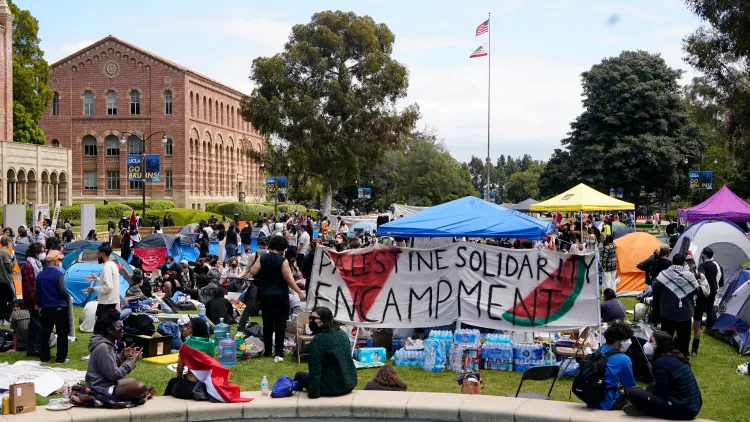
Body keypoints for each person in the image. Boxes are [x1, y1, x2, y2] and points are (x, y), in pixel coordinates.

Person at [238, 235, 306, 360]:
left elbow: (253, 271)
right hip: (280, 295)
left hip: (265, 295)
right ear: (283, 248)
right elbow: (288, 278)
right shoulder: (283, 260)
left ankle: (268, 351)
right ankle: (279, 351)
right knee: (280, 324)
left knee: (267, 323)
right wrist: (300, 292)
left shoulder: (262, 258)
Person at [625, 331, 702, 420]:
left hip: (681, 409)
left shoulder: (661, 362)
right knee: (651, 386)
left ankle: (645, 409)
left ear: (660, 345)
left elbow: (661, 393)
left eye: (651, 341)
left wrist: (645, 399)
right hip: (693, 407)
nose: (647, 343)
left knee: (633, 392)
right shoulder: (677, 357)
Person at [86, 309, 148, 402]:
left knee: (133, 382)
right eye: (120, 327)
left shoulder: (106, 344)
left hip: (107, 383)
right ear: (110, 330)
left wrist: (123, 355)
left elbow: (109, 367)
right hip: (101, 388)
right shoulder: (103, 347)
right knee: (140, 387)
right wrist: (132, 363)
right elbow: (114, 375)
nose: (122, 330)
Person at [294, 307, 357, 398]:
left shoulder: (318, 340)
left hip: (332, 387)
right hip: (349, 383)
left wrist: (314, 393)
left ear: (323, 321)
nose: (311, 321)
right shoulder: (342, 334)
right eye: (310, 318)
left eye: (314, 319)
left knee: (299, 375)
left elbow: (315, 370)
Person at [652, 254, 699, 357]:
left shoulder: (664, 275)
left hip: (668, 313)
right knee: (684, 340)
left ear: (672, 262)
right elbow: (697, 290)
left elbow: (655, 289)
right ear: (684, 263)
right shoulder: (690, 276)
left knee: (665, 339)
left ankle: (664, 357)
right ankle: (683, 359)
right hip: (685, 313)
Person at [587, 321, 636, 410]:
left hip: (591, 399)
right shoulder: (624, 359)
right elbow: (628, 388)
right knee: (639, 396)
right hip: (608, 402)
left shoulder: (599, 351)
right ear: (620, 340)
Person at [165, 318, 214, 398]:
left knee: (172, 382)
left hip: (189, 387)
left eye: (188, 326)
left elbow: (179, 370)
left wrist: (179, 376)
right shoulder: (211, 343)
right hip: (206, 386)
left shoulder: (188, 344)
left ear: (195, 330)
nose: (185, 328)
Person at [35, 250, 70, 363]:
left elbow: (37, 293)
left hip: (45, 309)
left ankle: (44, 357)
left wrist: (40, 304)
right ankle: (60, 358)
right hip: (59, 308)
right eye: (59, 260)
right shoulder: (58, 274)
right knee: (62, 334)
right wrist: (67, 297)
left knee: (44, 335)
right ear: (55, 262)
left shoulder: (40, 275)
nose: (60, 262)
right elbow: (62, 290)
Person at [85, 244, 121, 319]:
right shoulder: (113, 264)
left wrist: (94, 289)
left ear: (103, 254)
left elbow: (108, 287)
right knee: (108, 327)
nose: (97, 256)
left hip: (106, 303)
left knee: (100, 328)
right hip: (112, 301)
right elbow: (111, 280)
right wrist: (98, 279)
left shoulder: (107, 267)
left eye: (98, 253)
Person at [21, 242, 44, 356]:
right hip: (33, 301)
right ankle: (37, 348)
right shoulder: (28, 266)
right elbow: (30, 287)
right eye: (42, 251)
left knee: (34, 325)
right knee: (38, 324)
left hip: (36, 299)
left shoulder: (37, 264)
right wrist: (36, 302)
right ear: (37, 253)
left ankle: (32, 348)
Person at [687, 256, 710, 357]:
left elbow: (707, 290)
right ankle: (682, 347)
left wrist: (698, 288)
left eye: (691, 263)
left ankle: (694, 349)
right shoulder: (683, 275)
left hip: (698, 303)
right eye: (687, 263)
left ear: (694, 264)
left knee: (697, 325)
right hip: (687, 303)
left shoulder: (700, 276)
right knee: (685, 325)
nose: (689, 265)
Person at [698, 247, 723, 329]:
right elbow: (721, 281)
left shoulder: (703, 265)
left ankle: (699, 323)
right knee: (710, 307)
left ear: (704, 255)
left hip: (705, 290)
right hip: (714, 290)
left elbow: (701, 277)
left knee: (700, 307)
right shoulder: (718, 265)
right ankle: (710, 325)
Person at [0, 236, 16, 325]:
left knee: (2, 299)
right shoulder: (6, 253)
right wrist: (13, 259)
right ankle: (7, 318)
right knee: (13, 299)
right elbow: (9, 267)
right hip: (7, 279)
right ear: (8, 242)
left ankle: (1, 318)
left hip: (1, 280)